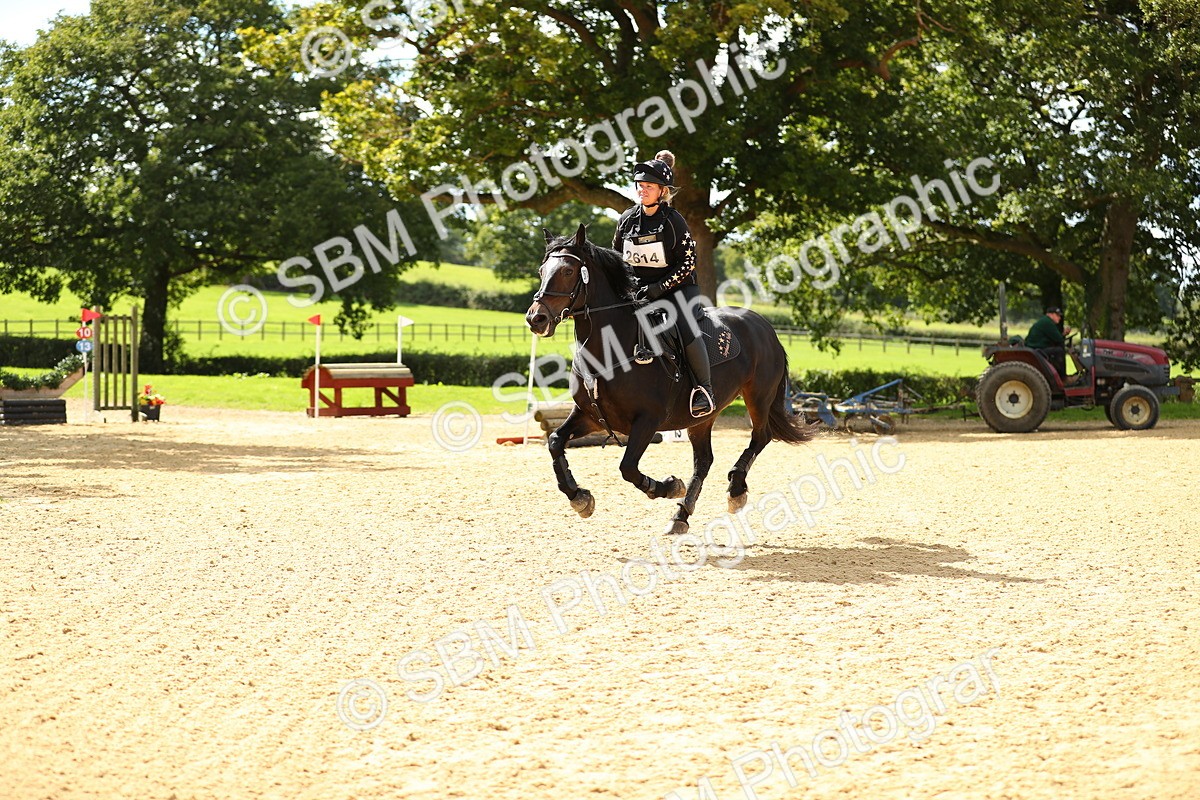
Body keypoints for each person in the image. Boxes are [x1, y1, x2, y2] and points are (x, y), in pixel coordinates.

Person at [612, 150, 714, 417]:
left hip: (678, 289)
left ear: (662, 191)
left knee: (683, 324)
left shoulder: (674, 222)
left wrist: (659, 288)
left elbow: (688, 264)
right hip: (639, 292)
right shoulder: (626, 220)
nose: (642, 191)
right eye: (640, 186)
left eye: (649, 187)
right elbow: (616, 258)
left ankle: (704, 390)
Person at [1025, 306, 1072, 381]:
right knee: (1059, 351)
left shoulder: (1045, 321)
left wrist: (1063, 334)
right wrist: (1064, 334)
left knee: (1057, 349)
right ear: (1051, 314)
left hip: (1036, 348)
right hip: (1037, 350)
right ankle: (1063, 378)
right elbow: (1058, 339)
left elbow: (1056, 338)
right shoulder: (1048, 323)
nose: (1059, 318)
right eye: (1057, 315)